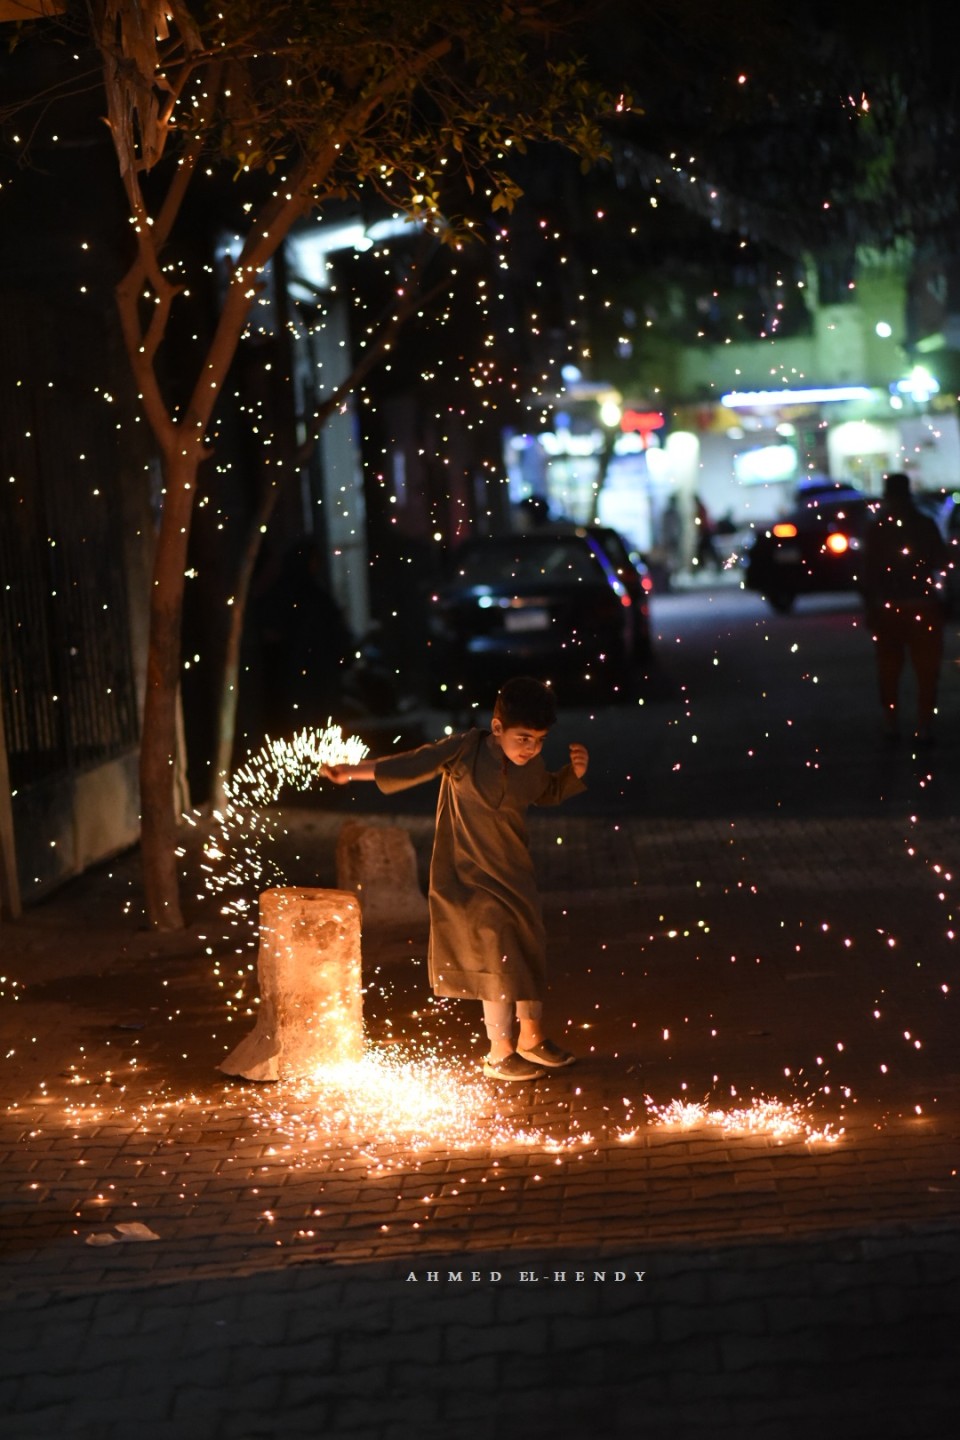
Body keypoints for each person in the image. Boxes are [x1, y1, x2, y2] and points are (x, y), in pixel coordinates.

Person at [320, 676, 589, 1081]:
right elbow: (410, 764)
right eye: (522, 737)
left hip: (515, 875)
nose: (530, 748)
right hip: (469, 877)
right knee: (495, 960)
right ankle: (499, 1053)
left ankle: (531, 1040)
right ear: (497, 728)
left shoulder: (529, 765)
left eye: (538, 739)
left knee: (526, 949)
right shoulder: (464, 749)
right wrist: (350, 772)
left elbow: (545, 790)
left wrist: (573, 774)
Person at [860, 471, 949, 744]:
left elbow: (866, 572)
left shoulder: (877, 529)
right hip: (923, 605)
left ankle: (891, 723)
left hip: (888, 608)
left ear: (887, 496)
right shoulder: (925, 524)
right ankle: (924, 725)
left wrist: (869, 606)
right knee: (926, 670)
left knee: (888, 668)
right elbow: (941, 561)